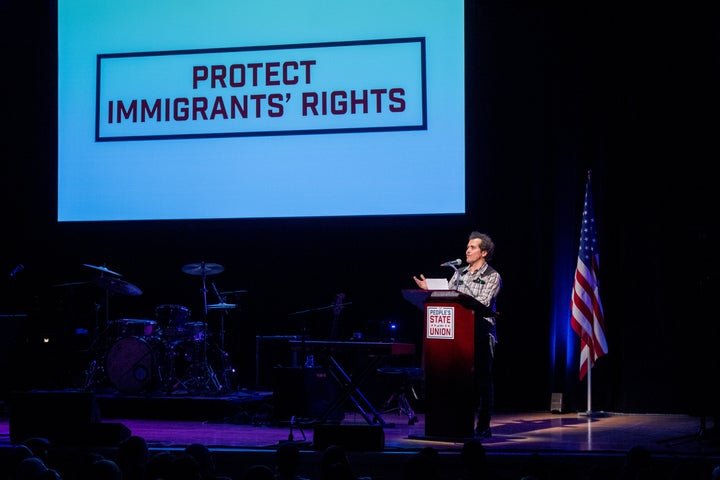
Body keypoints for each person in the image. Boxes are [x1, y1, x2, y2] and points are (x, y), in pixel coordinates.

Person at [413, 231, 502, 438]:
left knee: (482, 380)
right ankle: (457, 422)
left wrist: (460, 296)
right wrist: (430, 289)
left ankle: (483, 425)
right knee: (458, 380)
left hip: (481, 333)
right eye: (467, 246)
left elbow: (484, 302)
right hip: (456, 336)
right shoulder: (459, 272)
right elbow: (447, 294)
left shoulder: (492, 276)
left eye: (472, 247)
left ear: (484, 252)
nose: (467, 250)